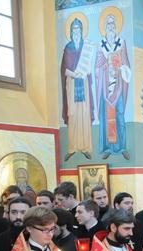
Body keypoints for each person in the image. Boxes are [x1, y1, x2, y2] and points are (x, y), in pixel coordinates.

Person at [95, 10, 131, 159]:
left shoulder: (121, 43)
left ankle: (122, 147)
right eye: (108, 24)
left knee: (120, 115)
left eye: (112, 23)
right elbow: (97, 66)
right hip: (105, 87)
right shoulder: (101, 45)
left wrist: (119, 67)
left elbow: (126, 63)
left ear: (116, 26)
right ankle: (108, 148)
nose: (110, 26)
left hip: (118, 87)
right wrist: (106, 65)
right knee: (106, 117)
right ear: (105, 26)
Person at [60, 16, 93, 161]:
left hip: (84, 83)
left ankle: (86, 147)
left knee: (84, 115)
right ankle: (72, 147)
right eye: (74, 29)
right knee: (73, 115)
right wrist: (74, 74)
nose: (76, 31)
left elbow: (90, 67)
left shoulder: (87, 47)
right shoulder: (68, 48)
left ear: (82, 30)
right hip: (72, 84)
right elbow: (64, 70)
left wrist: (85, 73)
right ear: (71, 31)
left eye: (78, 28)